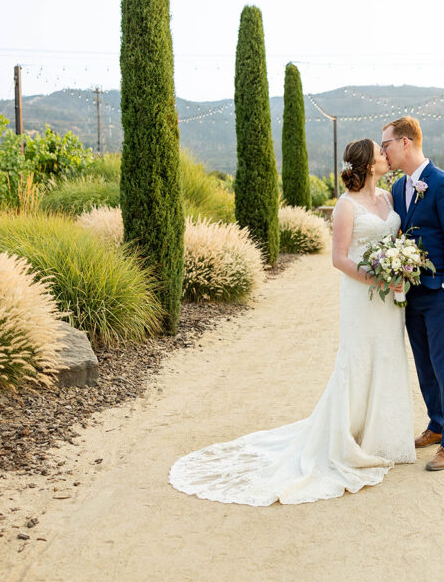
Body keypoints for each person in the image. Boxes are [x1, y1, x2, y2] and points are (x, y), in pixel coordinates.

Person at [169, 139, 415, 506]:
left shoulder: (389, 199)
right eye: (380, 153)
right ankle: (346, 436)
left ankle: (381, 436)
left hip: (387, 299)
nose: (385, 155)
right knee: (358, 357)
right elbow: (339, 259)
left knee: (388, 354)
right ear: (367, 164)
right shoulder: (346, 207)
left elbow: (393, 239)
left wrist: (398, 268)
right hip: (362, 297)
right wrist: (377, 278)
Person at [381, 116, 444, 471]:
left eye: (386, 144)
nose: (383, 151)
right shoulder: (398, 189)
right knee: (424, 363)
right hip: (410, 292)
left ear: (405, 143)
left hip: (439, 293)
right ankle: (437, 424)